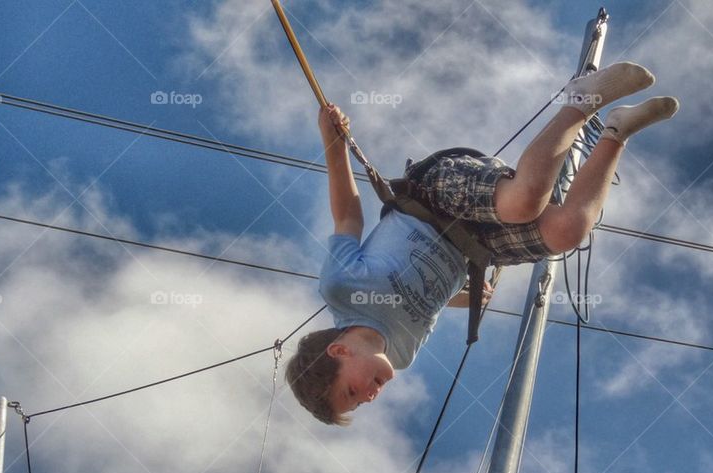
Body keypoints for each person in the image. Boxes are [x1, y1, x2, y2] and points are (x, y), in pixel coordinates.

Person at [286, 62, 678, 425]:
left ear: (339, 352)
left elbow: (348, 218)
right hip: (474, 248)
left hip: (433, 201)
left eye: (352, 391)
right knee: (567, 231)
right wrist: (462, 295)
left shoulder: (343, 289)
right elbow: (421, 300)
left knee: (524, 201)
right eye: (358, 403)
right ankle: (617, 132)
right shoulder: (402, 356)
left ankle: (581, 99)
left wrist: (333, 145)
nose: (369, 398)